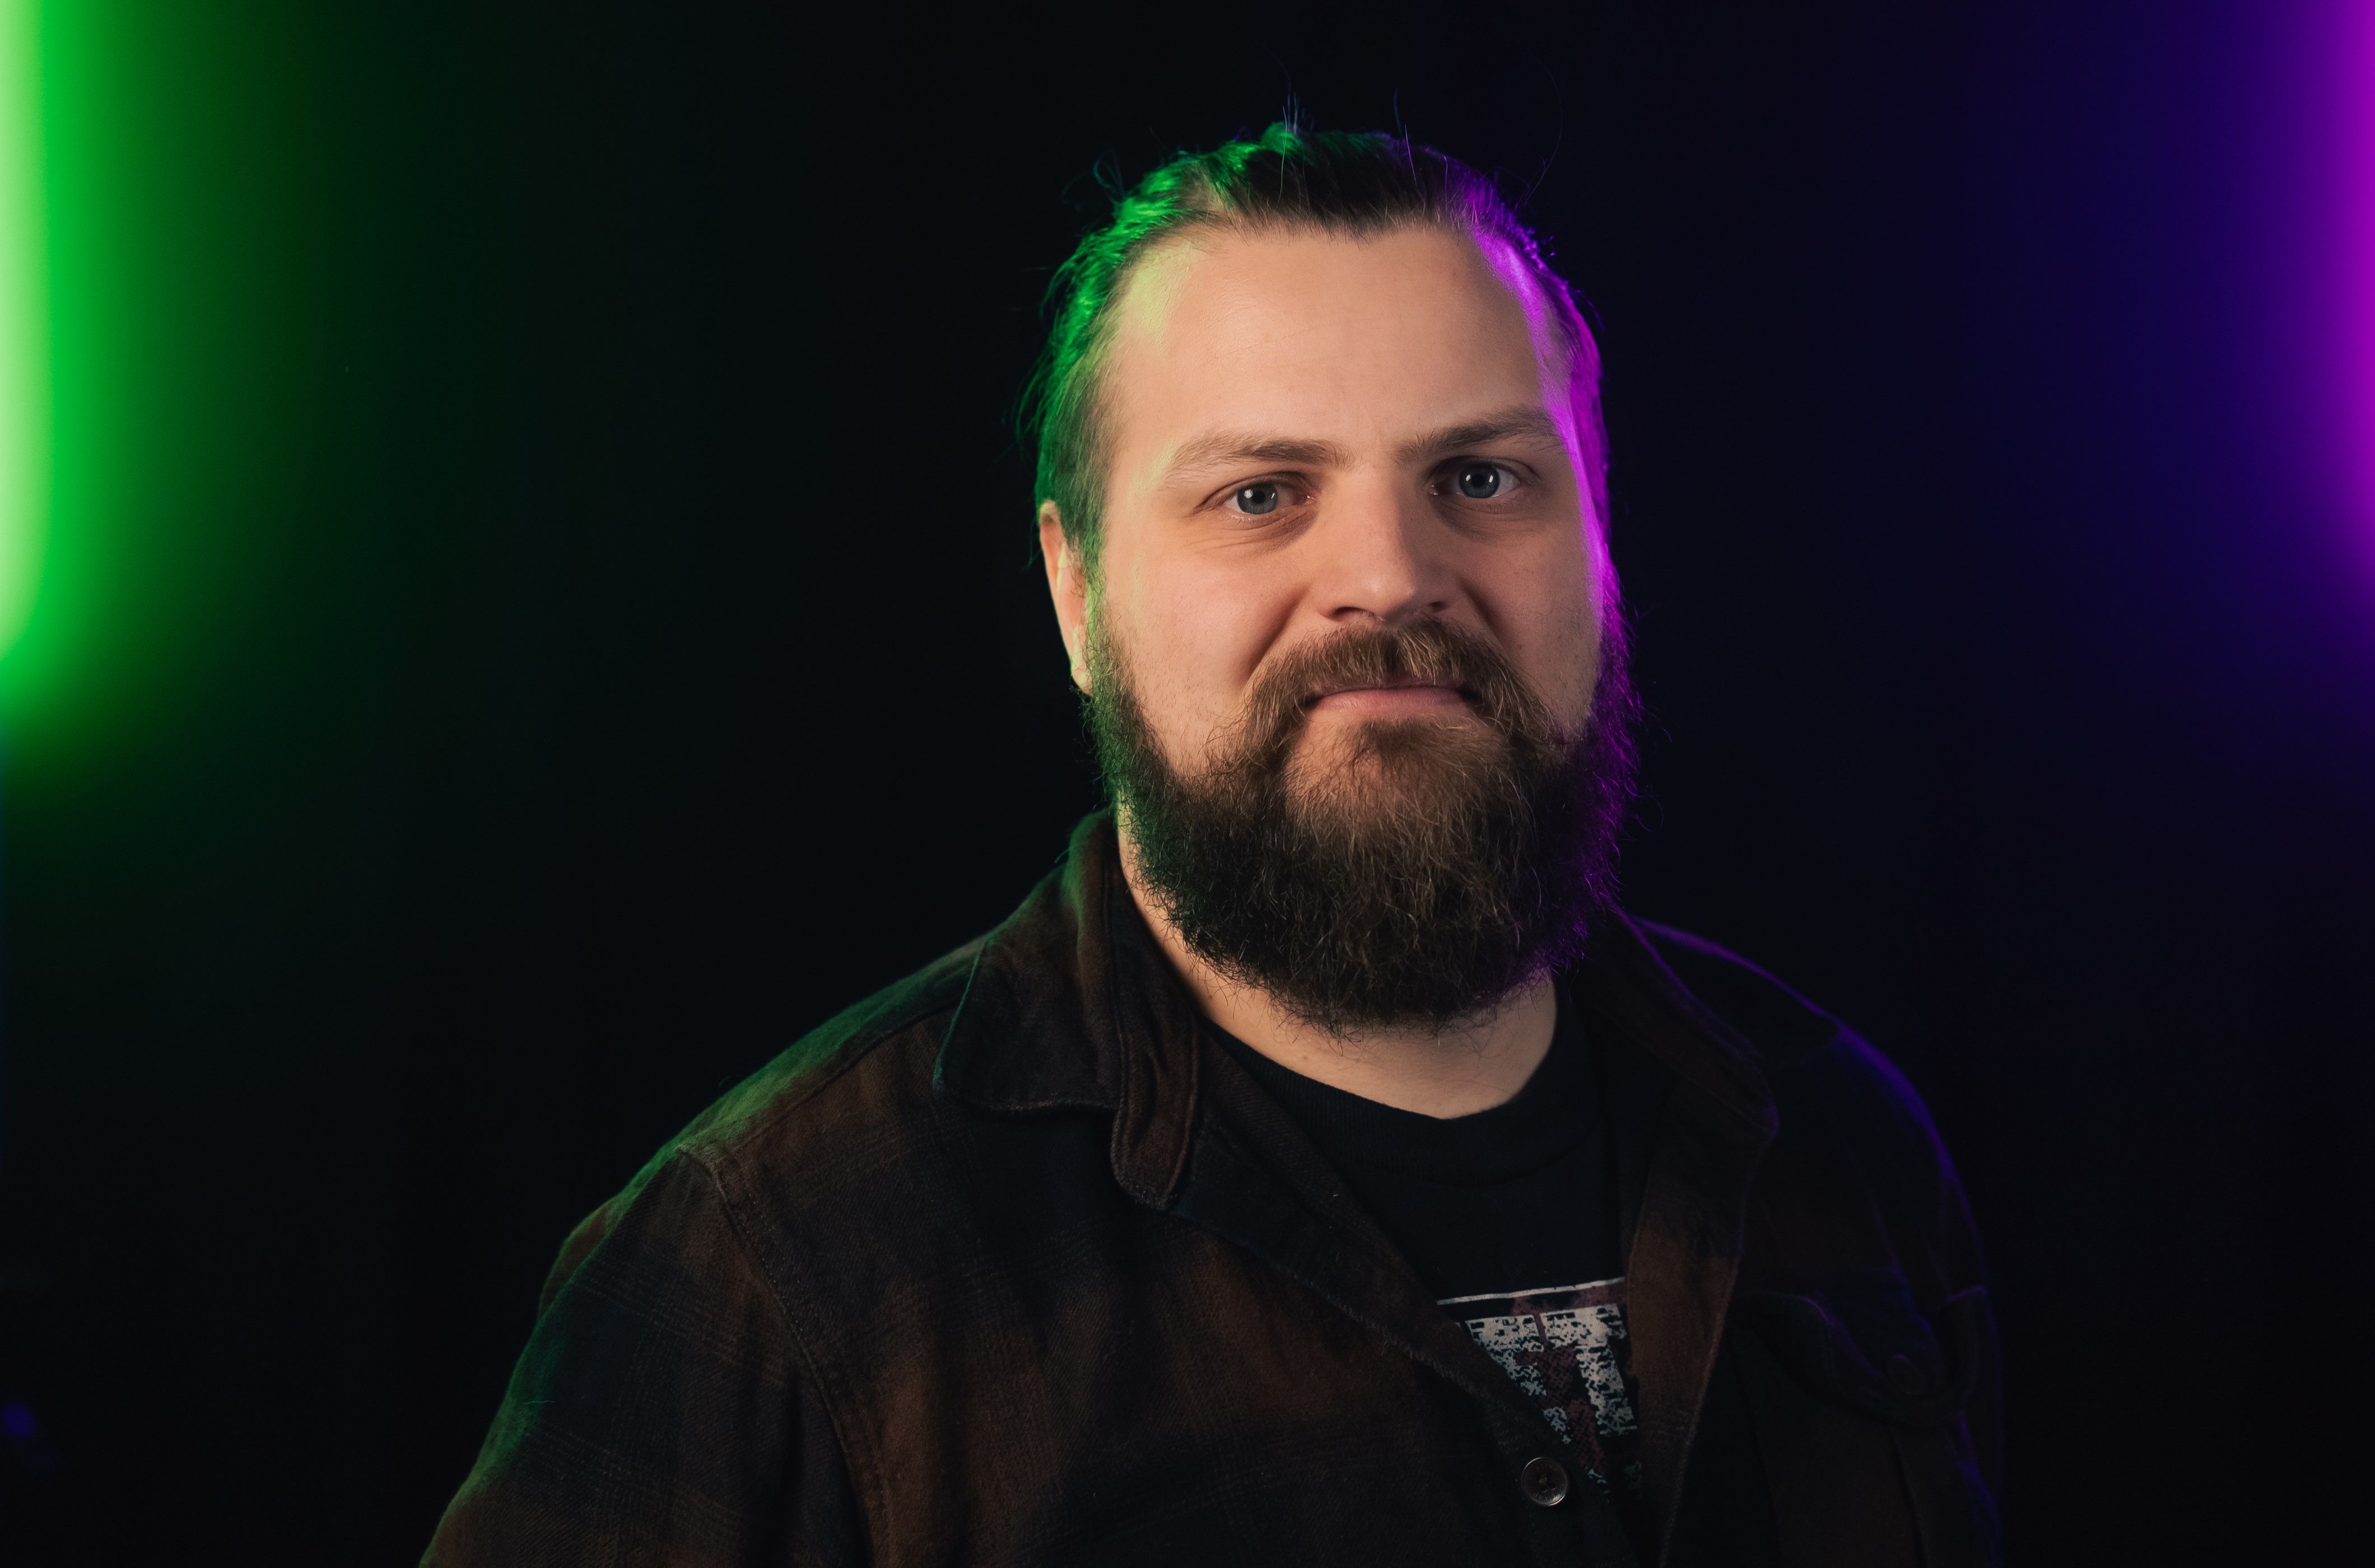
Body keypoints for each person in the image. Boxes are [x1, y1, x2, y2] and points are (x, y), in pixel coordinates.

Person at [423, 124, 1999, 1567]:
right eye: (1261, 494)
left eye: (1479, 478)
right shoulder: (774, 1267)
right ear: (1077, 597)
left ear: (1594, 539)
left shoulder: (1837, 1144)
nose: (1389, 577)